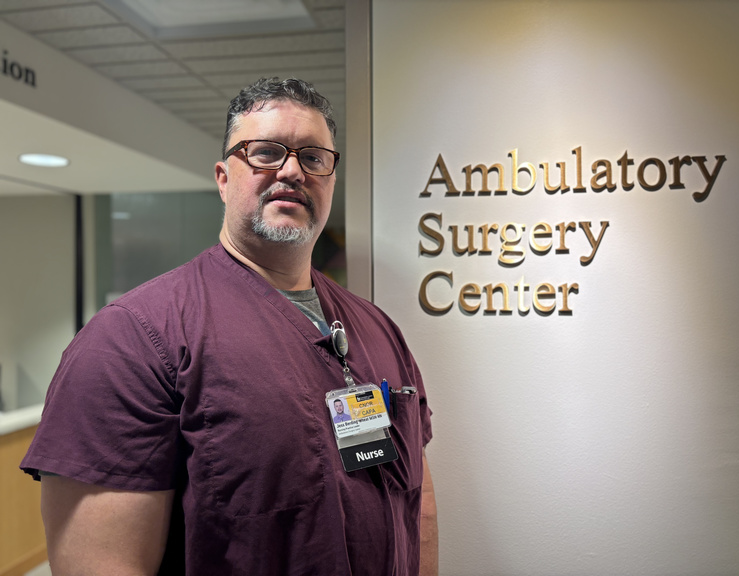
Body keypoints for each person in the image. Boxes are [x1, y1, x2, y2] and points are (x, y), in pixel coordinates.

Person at [21, 77, 437, 575]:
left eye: (313, 157)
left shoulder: (376, 328)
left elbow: (419, 502)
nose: (291, 171)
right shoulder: (130, 340)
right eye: (265, 152)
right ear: (222, 177)